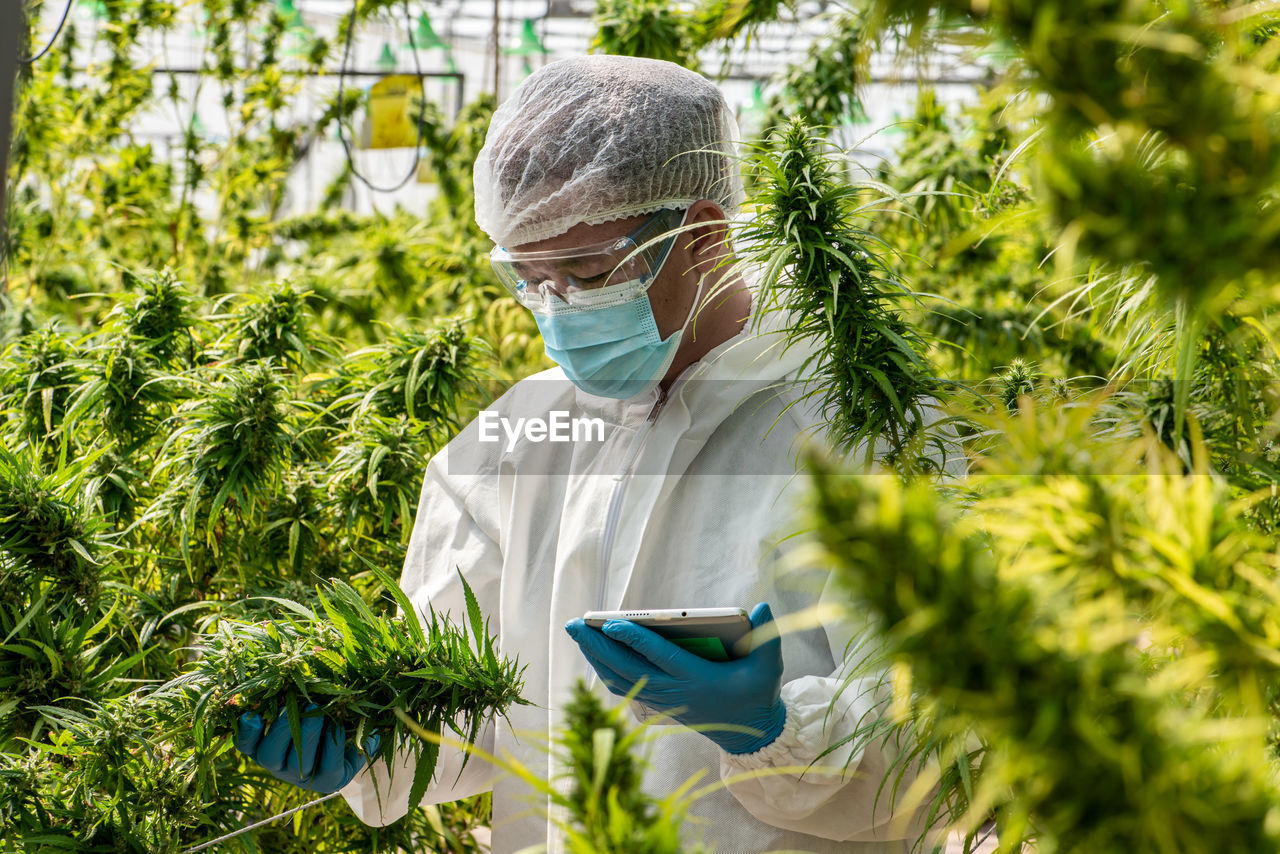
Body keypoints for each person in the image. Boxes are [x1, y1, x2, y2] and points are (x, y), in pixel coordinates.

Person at [234, 54, 952, 852]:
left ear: (701, 236)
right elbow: (460, 710)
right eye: (531, 279)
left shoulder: (865, 429)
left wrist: (773, 730)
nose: (558, 307)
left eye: (586, 271)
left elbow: (948, 745)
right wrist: (375, 732)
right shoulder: (515, 441)